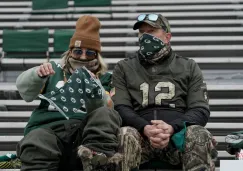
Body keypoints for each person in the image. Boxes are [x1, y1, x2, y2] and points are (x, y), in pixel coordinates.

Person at [112, 14, 217, 171]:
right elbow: (120, 107)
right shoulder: (124, 67)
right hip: (140, 138)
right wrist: (145, 128)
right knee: (124, 134)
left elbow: (200, 110)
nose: (145, 36)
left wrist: (171, 128)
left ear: (167, 37)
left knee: (198, 133)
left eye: (152, 31)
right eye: (142, 32)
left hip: (177, 139)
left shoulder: (188, 66)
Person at [15, 15, 122, 171]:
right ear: (70, 51)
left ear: (97, 56)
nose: (83, 56)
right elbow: (25, 92)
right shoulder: (53, 69)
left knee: (105, 114)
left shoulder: (106, 78)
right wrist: (37, 75)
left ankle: (95, 159)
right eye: (78, 51)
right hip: (49, 130)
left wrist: (94, 88)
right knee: (39, 138)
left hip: (85, 134)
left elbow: (107, 110)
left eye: (90, 53)